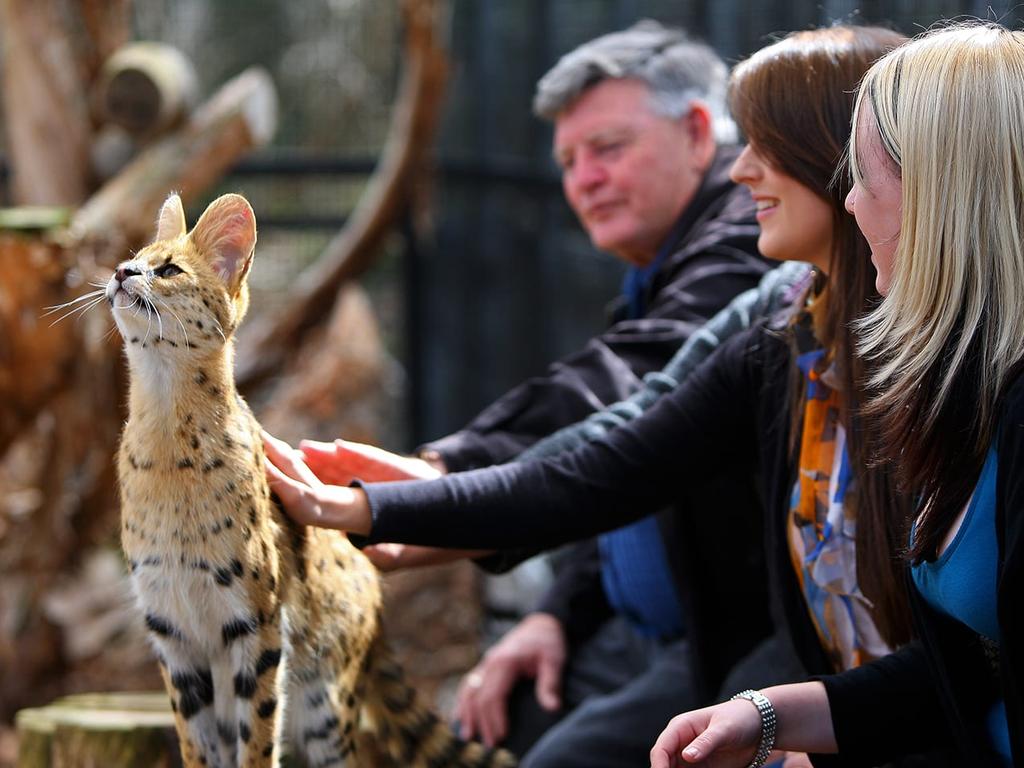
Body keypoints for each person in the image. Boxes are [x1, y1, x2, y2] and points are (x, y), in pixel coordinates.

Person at [265, 24, 931, 768]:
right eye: (569, 160)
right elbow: (615, 458)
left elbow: (612, 405)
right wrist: (381, 506)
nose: (745, 171)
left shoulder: (781, 274)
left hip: (818, 683)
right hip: (786, 680)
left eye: (607, 148)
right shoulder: (787, 312)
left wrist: (418, 489)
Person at [646, 21, 1024, 768]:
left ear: (939, 189)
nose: (850, 201)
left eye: (863, 173)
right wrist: (769, 715)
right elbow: (964, 674)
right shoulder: (963, 383)